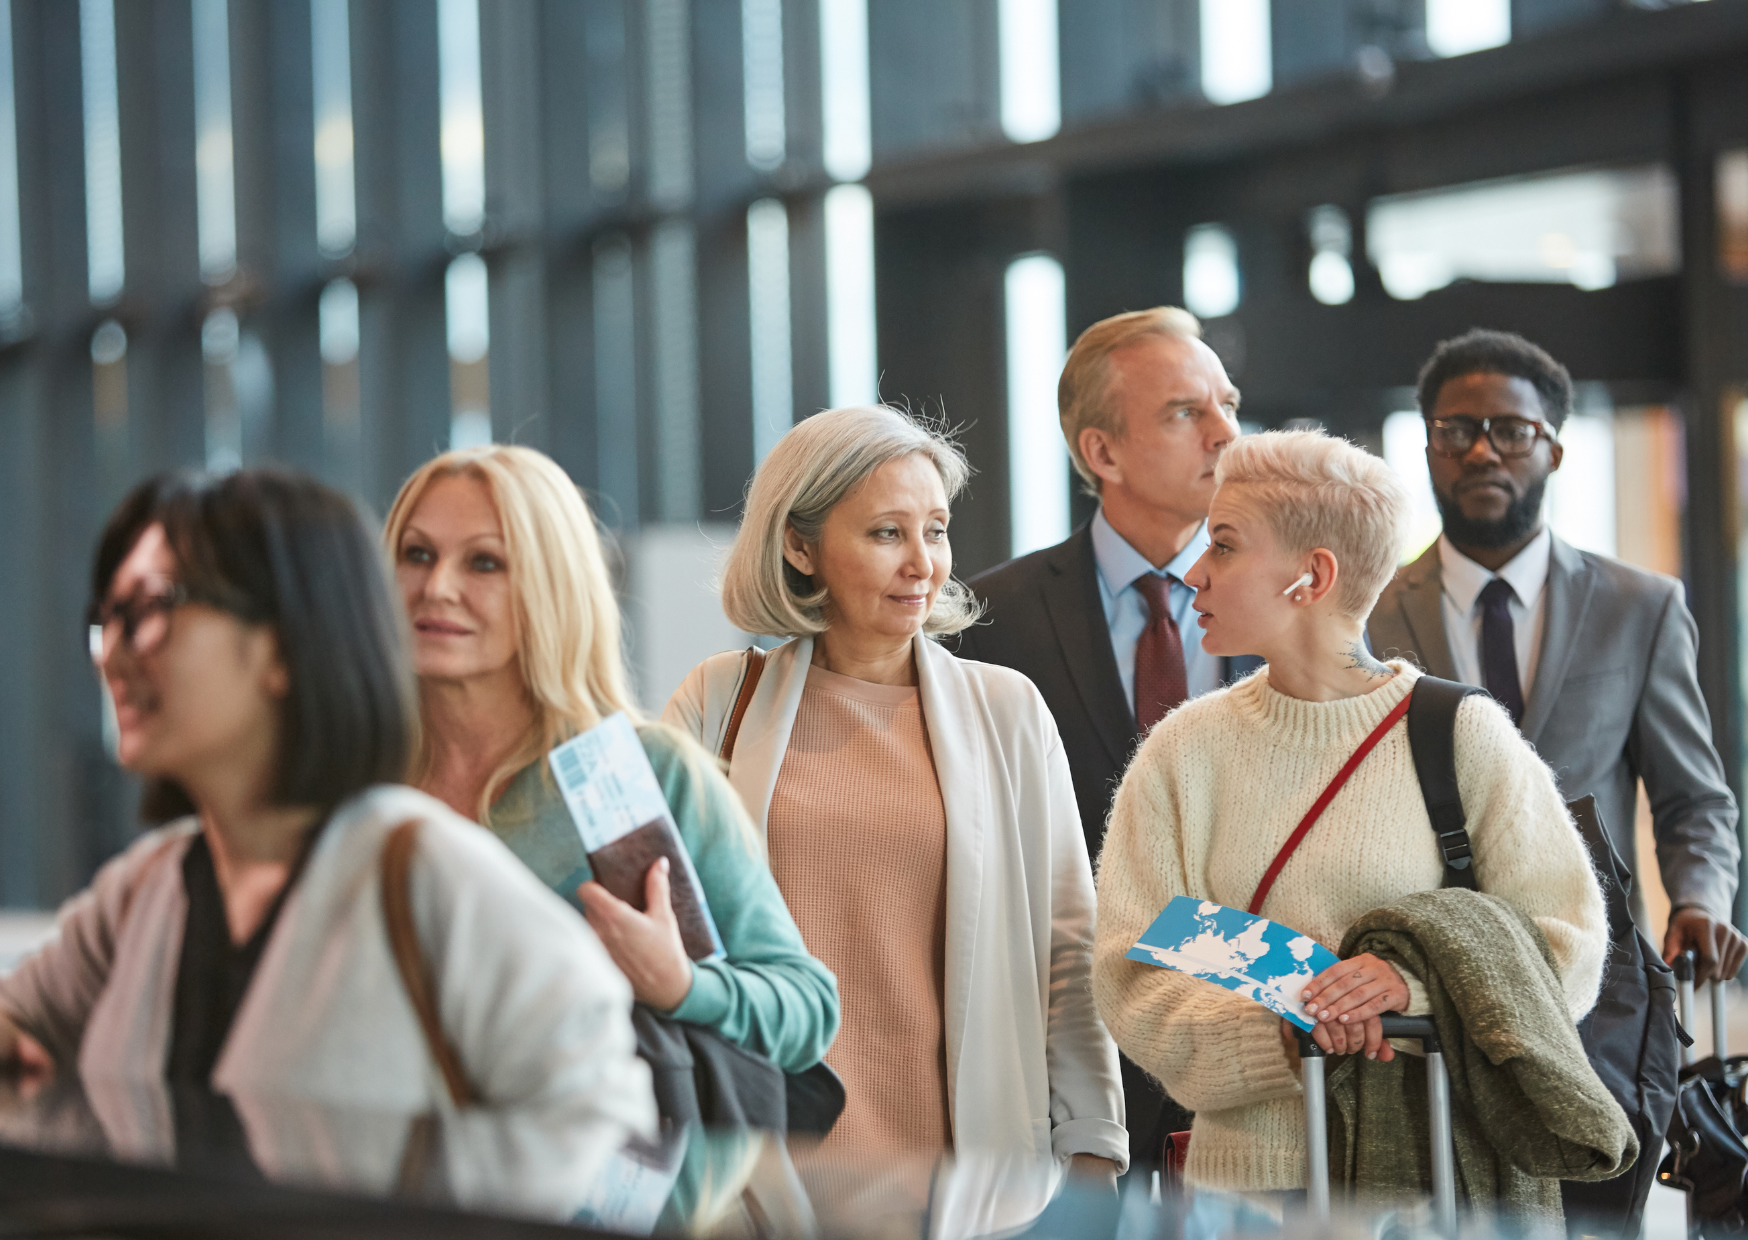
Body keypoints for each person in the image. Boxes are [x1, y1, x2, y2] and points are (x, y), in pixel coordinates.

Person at [0, 470, 654, 1132]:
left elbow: (604, 1131)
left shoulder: (434, 882)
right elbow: (19, 1017)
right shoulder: (144, 892)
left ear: (283, 643)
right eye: (106, 618)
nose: (113, 653)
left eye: (150, 609)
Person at [1093, 429, 1607, 1193]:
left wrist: (1412, 989)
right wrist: (1286, 1028)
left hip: (1432, 1190)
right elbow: (1131, 968)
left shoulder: (1460, 735)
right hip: (1243, 1201)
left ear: (1313, 574)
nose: (1194, 574)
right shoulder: (1182, 752)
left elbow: (1572, 947)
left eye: (1225, 547)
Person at [663, 406, 1126, 1180]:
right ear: (799, 547)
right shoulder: (715, 702)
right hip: (764, 1172)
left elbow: (1069, 950)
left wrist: (1092, 1145)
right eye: (886, 533)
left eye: (936, 530)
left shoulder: (1006, 710)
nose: (924, 564)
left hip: (965, 1173)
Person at [384, 445, 838, 1076]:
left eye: (484, 562)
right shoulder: (353, 778)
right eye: (417, 554)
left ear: (553, 587)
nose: (437, 587)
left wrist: (680, 985)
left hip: (584, 1167)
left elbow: (806, 1009)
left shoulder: (636, 772)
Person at [953, 305, 1257, 1163]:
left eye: (1227, 404)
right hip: (1068, 1039)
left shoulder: (1288, 607)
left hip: (1251, 1039)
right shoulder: (987, 622)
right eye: (1185, 412)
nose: (1226, 432)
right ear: (1102, 452)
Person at [1367, 330, 1744, 983]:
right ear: (1428, 447)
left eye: (1512, 431)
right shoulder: (1368, 615)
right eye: (1456, 431)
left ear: (1555, 451)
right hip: (1426, 988)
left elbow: (1692, 800)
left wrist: (1699, 898)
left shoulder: (1640, 608)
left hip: (1601, 980)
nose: (1483, 451)